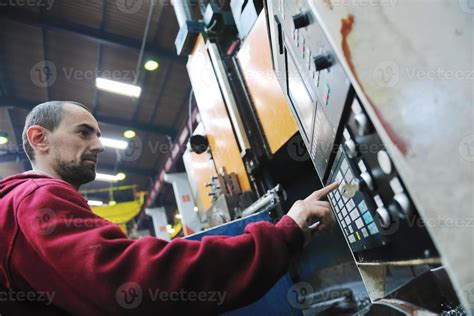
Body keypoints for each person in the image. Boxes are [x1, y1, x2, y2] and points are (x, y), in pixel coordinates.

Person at [0, 101, 337, 315]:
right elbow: (133, 279)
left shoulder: (20, 203)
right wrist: (284, 234)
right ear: (38, 138)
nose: (99, 145)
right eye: (84, 133)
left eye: (99, 135)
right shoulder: (37, 197)